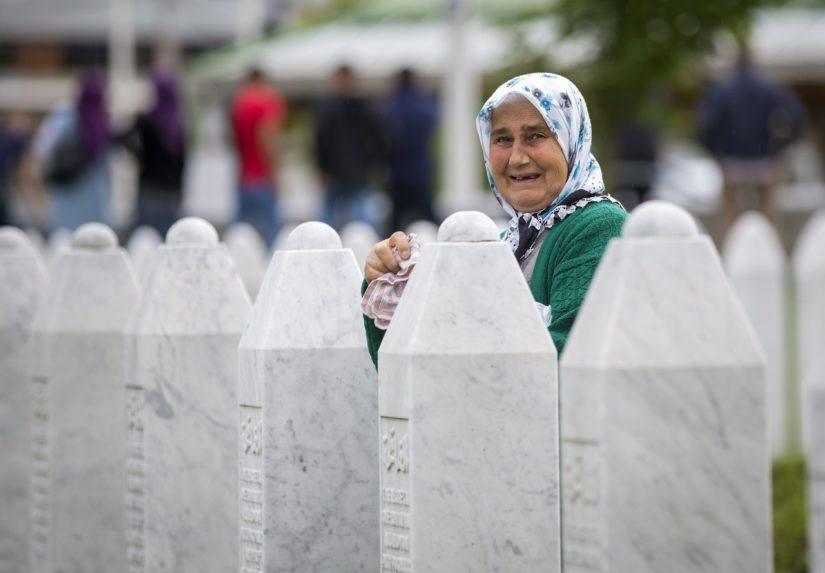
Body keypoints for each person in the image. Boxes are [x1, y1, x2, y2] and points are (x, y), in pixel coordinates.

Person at [361, 73, 627, 365]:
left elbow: (567, 359)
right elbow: (403, 373)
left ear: (570, 139)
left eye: (535, 136)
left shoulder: (598, 226)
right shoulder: (510, 240)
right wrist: (387, 280)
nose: (517, 158)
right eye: (502, 139)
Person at [698, 48, 806, 234]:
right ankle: (769, 251)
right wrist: (780, 148)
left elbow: (706, 124)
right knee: (767, 217)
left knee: (730, 218)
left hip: (731, 161)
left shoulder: (723, 89)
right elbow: (796, 116)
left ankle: (729, 252)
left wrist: (716, 153)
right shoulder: (769, 87)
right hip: (765, 161)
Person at [35, 71, 111, 231]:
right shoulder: (103, 122)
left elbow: (41, 150)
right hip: (95, 200)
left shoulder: (63, 116)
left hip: (64, 196)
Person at [314, 64, 385, 230]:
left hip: (351, 173)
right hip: (346, 173)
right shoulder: (363, 108)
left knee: (352, 220)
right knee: (356, 220)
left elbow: (320, 141)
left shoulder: (331, 109)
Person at [118, 69, 186, 236]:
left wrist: (139, 158)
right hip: (172, 193)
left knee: (145, 243)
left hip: (149, 189)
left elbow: (122, 138)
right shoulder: (179, 123)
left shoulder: (146, 120)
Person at [231, 67, 286, 246]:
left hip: (243, 177)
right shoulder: (268, 102)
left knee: (240, 236)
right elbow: (268, 137)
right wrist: (275, 173)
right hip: (262, 177)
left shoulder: (239, 103)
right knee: (271, 239)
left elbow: (232, 140)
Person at [384, 68, 438, 230]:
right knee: (429, 217)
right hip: (420, 170)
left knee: (394, 222)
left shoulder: (392, 106)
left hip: (397, 173)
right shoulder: (422, 105)